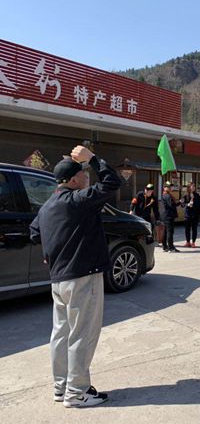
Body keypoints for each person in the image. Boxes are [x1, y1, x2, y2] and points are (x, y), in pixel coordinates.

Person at [30, 145, 121, 407]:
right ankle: (77, 392)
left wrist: (51, 251)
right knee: (82, 334)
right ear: (72, 180)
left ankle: (61, 387)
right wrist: (92, 158)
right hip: (82, 277)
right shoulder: (78, 200)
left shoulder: (47, 206)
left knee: (61, 334)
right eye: (83, 175)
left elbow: (35, 233)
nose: (86, 178)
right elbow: (112, 181)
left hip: (59, 279)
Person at [180, 182, 200, 248]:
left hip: (195, 215)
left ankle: (193, 242)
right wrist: (187, 204)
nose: (193, 188)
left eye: (194, 186)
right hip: (187, 215)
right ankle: (188, 242)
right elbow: (182, 204)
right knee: (187, 229)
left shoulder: (197, 195)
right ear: (189, 187)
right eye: (192, 186)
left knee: (194, 229)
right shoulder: (185, 195)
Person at [161, 182, 179, 252]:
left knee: (165, 232)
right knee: (170, 232)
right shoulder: (167, 195)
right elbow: (172, 205)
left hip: (166, 216)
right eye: (168, 187)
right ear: (164, 187)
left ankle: (165, 246)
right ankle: (171, 247)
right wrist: (178, 203)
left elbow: (172, 204)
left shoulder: (165, 195)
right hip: (169, 216)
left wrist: (179, 202)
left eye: (170, 186)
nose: (170, 188)